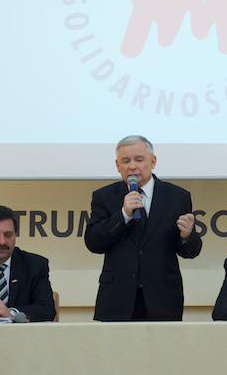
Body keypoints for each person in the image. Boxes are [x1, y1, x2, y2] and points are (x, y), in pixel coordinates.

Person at [84, 135, 202, 321]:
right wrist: (123, 214)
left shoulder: (177, 196)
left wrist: (187, 235)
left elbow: (191, 251)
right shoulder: (104, 196)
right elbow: (93, 242)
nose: (132, 166)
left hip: (163, 298)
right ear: (117, 166)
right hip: (117, 299)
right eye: (126, 161)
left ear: (153, 162)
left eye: (139, 160)